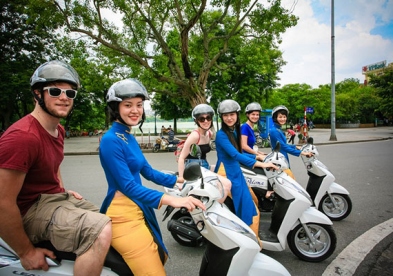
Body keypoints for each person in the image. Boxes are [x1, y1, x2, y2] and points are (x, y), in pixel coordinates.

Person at [0, 60, 112, 275]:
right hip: (28, 211)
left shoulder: (57, 130)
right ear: (37, 94)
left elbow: (53, 167)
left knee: (111, 219)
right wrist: (26, 252)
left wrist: (61, 190)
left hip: (50, 199)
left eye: (70, 94)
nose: (63, 97)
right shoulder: (23, 138)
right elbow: (3, 202)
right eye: (55, 91)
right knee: (100, 230)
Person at [99, 78, 205, 275]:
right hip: (123, 215)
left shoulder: (128, 137)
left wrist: (179, 180)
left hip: (139, 207)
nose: (135, 110)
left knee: (158, 254)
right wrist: (172, 200)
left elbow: (147, 171)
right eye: (128, 105)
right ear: (115, 107)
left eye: (139, 105)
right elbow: (128, 186)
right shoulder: (110, 140)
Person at [214, 99, 278, 237]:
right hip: (226, 173)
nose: (229, 118)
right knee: (245, 207)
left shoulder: (234, 131)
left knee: (250, 203)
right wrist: (262, 164)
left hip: (235, 171)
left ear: (237, 115)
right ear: (221, 117)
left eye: (232, 114)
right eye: (225, 115)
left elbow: (240, 153)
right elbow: (235, 154)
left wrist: (258, 157)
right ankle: (246, 238)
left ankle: (248, 235)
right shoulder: (221, 135)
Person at [176, 104, 231, 202]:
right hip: (194, 168)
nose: (205, 121)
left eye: (208, 118)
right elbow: (181, 157)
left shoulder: (209, 133)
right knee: (226, 184)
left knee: (225, 169)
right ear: (196, 121)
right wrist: (181, 178)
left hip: (204, 165)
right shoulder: (194, 136)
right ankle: (214, 209)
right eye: (202, 119)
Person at [269, 105, 312, 178]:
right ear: (275, 118)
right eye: (280, 117)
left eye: (284, 117)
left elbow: (285, 145)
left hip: (283, 158)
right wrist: (302, 153)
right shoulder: (274, 131)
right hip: (279, 161)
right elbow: (283, 147)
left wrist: (296, 147)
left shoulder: (278, 129)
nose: (283, 119)